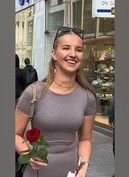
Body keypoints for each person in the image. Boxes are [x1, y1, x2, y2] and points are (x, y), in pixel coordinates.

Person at [15, 26, 97, 177]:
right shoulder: (33, 93)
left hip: (70, 172)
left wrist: (83, 167)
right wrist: (29, 153)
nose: (73, 54)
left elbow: (85, 139)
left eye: (78, 49)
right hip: (37, 173)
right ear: (54, 54)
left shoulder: (88, 97)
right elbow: (15, 134)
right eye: (66, 48)